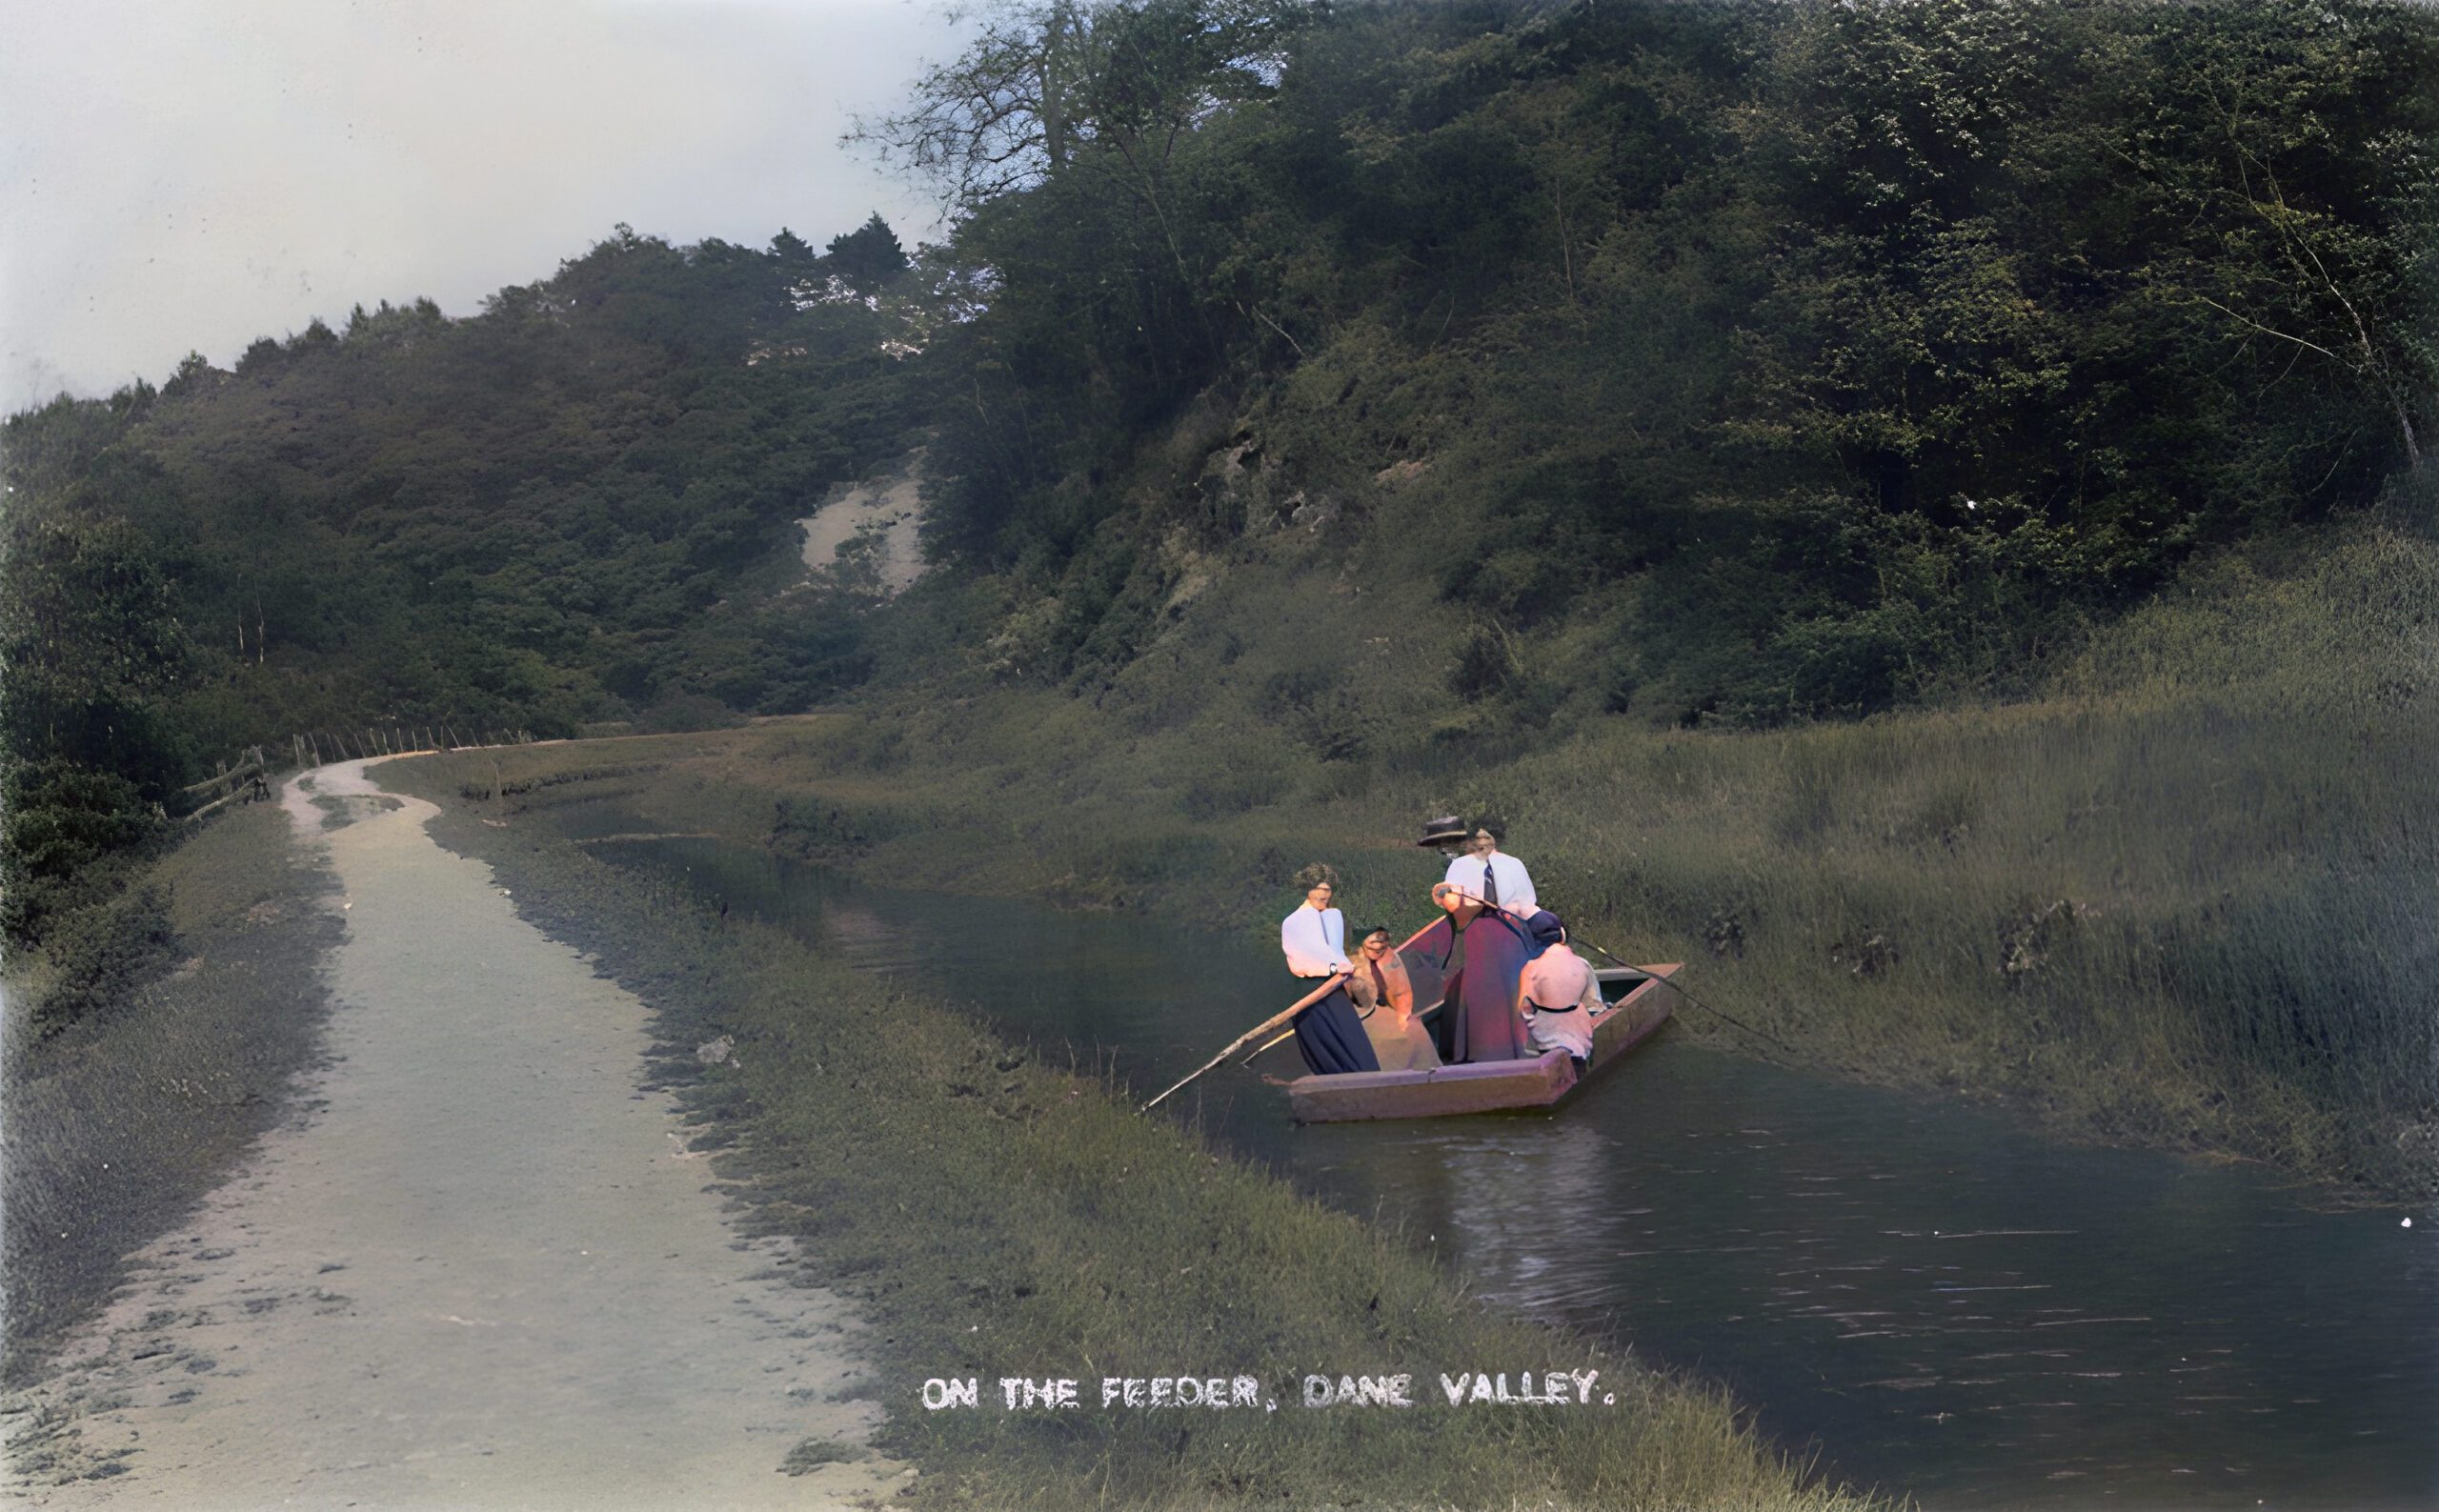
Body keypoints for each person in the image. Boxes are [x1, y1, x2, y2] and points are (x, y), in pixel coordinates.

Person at [1278, 864, 1380, 1077]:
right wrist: (1335, 967)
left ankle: (1364, 1083)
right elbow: (1306, 957)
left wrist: (1341, 969)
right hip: (1311, 990)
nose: (1324, 893)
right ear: (1307, 889)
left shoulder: (1330, 916)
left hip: (1333, 985)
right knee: (1327, 1044)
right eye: (1318, 888)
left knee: (1352, 1042)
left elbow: (1333, 951)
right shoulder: (1297, 920)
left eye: (1328, 889)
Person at [1421, 878, 1534, 1063]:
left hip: (1487, 992)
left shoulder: (1484, 927)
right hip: (1480, 985)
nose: (1445, 903)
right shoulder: (1497, 923)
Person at [1345, 925, 1440, 1072]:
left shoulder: (1387, 957)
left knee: (1415, 1031)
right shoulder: (1350, 961)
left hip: (1384, 1011)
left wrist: (1403, 1015)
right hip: (1360, 1017)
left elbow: (1400, 991)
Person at [1518, 911, 1602, 1068]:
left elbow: (1523, 1010)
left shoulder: (1528, 970)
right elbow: (1594, 1006)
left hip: (1541, 1047)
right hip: (1580, 1048)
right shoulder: (1582, 965)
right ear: (1562, 934)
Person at [1441, 816, 1535, 917]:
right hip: (1476, 926)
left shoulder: (1514, 864)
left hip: (1506, 925)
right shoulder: (1458, 865)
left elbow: (1527, 905)